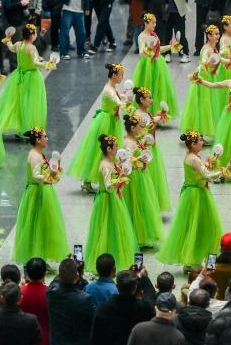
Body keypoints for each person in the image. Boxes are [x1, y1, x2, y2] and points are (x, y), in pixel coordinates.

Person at [158, 131, 224, 267]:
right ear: (193, 144)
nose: (202, 142)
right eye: (200, 140)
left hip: (191, 192)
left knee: (190, 225)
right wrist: (223, 172)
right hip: (197, 195)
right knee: (199, 224)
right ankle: (194, 259)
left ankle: (191, 257)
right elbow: (207, 176)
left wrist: (211, 161)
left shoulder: (190, 156)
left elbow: (201, 171)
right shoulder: (194, 159)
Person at [93, 270, 155, 345]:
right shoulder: (145, 308)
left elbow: (96, 336)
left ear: (116, 286)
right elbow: (151, 296)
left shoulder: (104, 309)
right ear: (136, 288)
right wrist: (143, 277)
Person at [14, 127, 69, 263]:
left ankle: (40, 257)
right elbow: (36, 175)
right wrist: (48, 176)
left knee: (42, 224)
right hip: (37, 193)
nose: (47, 138)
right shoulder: (34, 155)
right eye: (45, 136)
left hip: (43, 191)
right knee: (36, 224)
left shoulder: (39, 154)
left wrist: (53, 171)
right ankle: (35, 258)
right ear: (38, 140)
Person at [68, 63, 127, 189]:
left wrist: (125, 97)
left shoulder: (112, 87)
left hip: (112, 120)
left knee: (109, 148)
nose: (122, 77)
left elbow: (118, 97)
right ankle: (90, 179)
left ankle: (109, 174)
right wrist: (124, 104)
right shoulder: (108, 89)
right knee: (99, 150)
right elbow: (115, 100)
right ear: (114, 75)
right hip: (105, 121)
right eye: (121, 75)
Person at [85, 134, 139, 272]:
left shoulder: (111, 162)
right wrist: (120, 178)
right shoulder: (105, 165)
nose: (117, 149)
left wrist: (121, 170)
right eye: (115, 147)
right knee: (107, 227)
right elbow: (109, 186)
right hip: (107, 201)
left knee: (113, 227)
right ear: (109, 149)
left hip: (114, 198)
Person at [47, 258, 96, 345]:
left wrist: (66, 270)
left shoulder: (52, 294)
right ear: (77, 276)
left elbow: (56, 282)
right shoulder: (85, 299)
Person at [122, 113, 163, 247]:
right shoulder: (129, 143)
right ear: (133, 128)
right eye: (139, 126)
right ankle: (138, 236)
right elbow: (127, 160)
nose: (141, 128)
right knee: (137, 203)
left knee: (141, 203)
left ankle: (140, 234)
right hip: (135, 177)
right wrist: (139, 159)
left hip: (140, 174)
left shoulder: (134, 139)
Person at [135, 12, 180, 115]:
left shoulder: (154, 35)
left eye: (155, 23)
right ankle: (145, 113)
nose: (155, 25)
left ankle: (156, 113)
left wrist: (171, 46)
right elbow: (141, 53)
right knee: (148, 87)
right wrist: (148, 47)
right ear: (146, 23)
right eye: (153, 23)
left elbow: (158, 50)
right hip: (147, 66)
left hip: (158, 64)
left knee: (158, 87)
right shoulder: (142, 36)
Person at [181, 25, 221, 137]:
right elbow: (203, 62)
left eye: (218, 34)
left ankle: (205, 132)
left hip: (210, 77)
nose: (218, 36)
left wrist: (230, 59)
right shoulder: (206, 49)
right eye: (216, 34)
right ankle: (199, 131)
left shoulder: (214, 48)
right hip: (203, 79)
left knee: (209, 104)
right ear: (209, 36)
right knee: (204, 104)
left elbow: (218, 59)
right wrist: (208, 62)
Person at [20, 258, 51, 345]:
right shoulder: (50, 293)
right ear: (45, 273)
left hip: (27, 343)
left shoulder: (20, 292)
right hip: (47, 343)